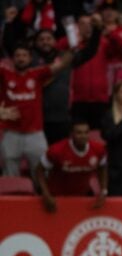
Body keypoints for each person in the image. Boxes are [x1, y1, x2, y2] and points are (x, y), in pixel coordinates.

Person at [0, 43, 74, 178]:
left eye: (24, 55)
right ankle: (12, 199)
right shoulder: (4, 74)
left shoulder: (37, 74)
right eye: (17, 56)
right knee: (9, 175)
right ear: (12, 59)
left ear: (30, 59)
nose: (21, 58)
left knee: (41, 172)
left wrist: (72, 48)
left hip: (35, 134)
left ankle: (39, 197)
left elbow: (62, 65)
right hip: (11, 133)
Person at [35, 120, 108, 213]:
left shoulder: (98, 149)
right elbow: (39, 170)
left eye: (86, 132)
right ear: (71, 134)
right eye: (79, 133)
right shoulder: (57, 150)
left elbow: (103, 168)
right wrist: (46, 194)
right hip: (56, 197)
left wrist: (103, 191)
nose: (83, 136)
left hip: (81, 197)